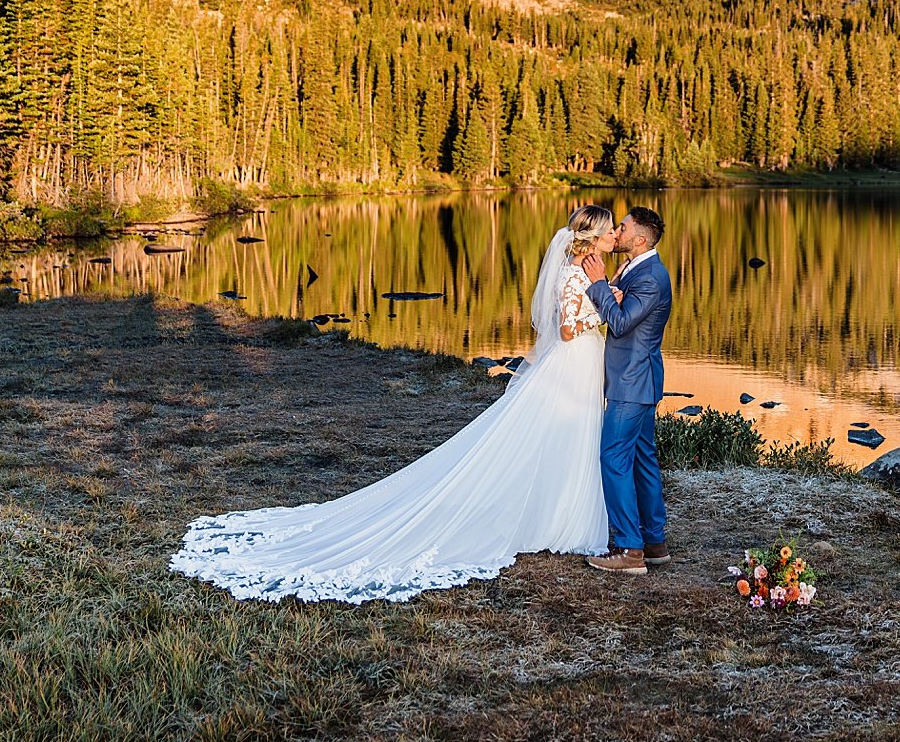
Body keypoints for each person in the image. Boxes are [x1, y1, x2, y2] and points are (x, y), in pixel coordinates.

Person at [169, 205, 616, 602]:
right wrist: (604, 307)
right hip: (570, 365)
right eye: (610, 231)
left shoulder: (580, 271)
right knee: (558, 437)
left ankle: (557, 516)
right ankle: (557, 521)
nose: (614, 236)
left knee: (564, 440)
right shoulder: (576, 275)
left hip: (579, 368)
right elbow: (566, 331)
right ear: (591, 239)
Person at [580, 206, 672, 576]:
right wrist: (614, 284)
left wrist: (600, 284)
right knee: (643, 460)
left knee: (613, 458)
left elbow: (618, 324)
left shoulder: (651, 277)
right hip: (639, 380)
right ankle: (654, 543)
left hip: (632, 383)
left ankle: (632, 551)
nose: (617, 232)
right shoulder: (639, 270)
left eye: (623, 227)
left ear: (639, 240)